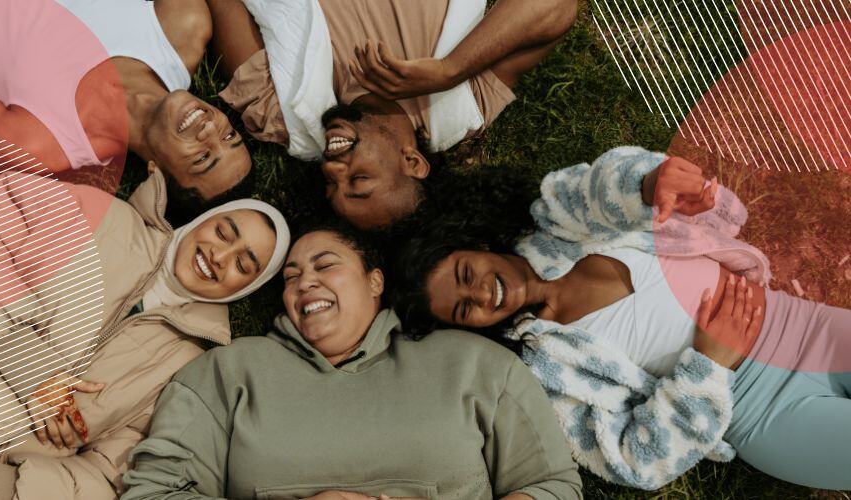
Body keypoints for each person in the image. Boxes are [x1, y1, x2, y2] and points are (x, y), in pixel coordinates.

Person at [391, 146, 851, 491]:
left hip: (803, 327)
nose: (479, 293)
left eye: (465, 274)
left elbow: (603, 187)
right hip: (763, 412)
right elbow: (636, 461)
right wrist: (709, 366)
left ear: (476, 245)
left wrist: (647, 185)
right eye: (463, 309)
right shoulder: (544, 372)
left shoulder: (561, 224)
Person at [0, 164, 290, 499]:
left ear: (246, 286)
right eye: (224, 232)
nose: (219, 255)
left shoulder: (194, 363)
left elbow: (109, 473)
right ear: (204, 220)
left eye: (244, 263)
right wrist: (27, 361)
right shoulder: (100, 217)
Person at [120, 225, 583, 500]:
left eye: (326, 266)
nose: (305, 283)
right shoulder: (227, 373)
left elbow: (553, 485)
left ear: (374, 280)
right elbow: (152, 492)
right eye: (291, 277)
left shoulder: (475, 364)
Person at [207, 0, 577, 230]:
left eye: (332, 185)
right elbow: (557, 7)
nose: (332, 168)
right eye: (358, 179)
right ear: (412, 162)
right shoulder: (462, 103)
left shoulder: (281, 117)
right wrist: (450, 69)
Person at [0, 0, 253, 205]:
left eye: (202, 157)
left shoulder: (43, 142)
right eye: (230, 136)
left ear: (156, 173)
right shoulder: (183, 27)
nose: (210, 130)